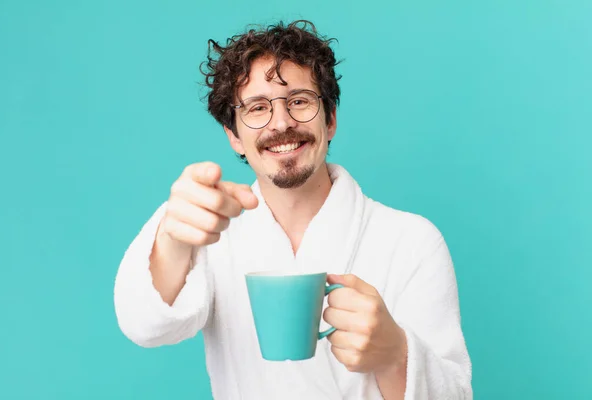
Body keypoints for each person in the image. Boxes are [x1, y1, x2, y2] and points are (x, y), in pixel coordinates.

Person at [113, 20, 472, 400]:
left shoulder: (413, 241)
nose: (281, 123)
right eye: (257, 107)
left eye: (299, 101)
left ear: (330, 119)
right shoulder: (208, 230)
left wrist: (394, 354)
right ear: (234, 135)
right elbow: (145, 326)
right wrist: (171, 239)